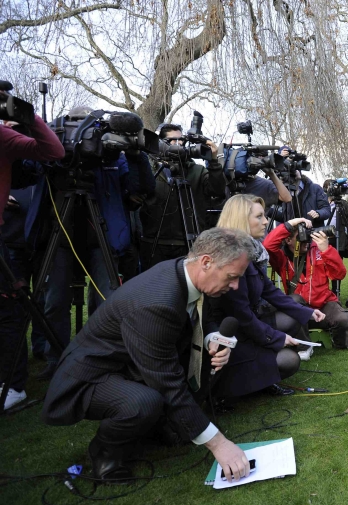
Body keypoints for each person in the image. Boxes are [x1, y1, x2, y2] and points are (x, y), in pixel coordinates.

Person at [41, 228, 255, 482]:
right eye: (232, 276)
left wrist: (211, 338)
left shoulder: (186, 271)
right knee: (144, 402)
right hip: (89, 376)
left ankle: (158, 427)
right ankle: (105, 454)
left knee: (170, 384)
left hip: (129, 364)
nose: (236, 285)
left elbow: (200, 314)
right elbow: (167, 383)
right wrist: (219, 444)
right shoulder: (157, 304)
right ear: (206, 262)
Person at [24, 106, 156, 381]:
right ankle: (56, 359)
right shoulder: (55, 150)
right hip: (59, 235)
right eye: (71, 128)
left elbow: (138, 189)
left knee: (106, 299)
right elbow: (28, 170)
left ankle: (99, 357)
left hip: (102, 238)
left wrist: (133, 155)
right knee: (54, 301)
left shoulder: (111, 155)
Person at [211, 195, 326, 396]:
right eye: (259, 216)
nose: (266, 221)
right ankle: (236, 387)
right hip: (233, 338)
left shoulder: (251, 250)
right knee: (289, 360)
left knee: (290, 328)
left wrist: (307, 313)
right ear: (241, 219)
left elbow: (269, 290)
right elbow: (242, 316)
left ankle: (261, 375)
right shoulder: (231, 258)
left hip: (249, 327)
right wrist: (277, 338)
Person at [0, 113, 64, 410]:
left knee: (17, 306)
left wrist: (27, 122)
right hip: (10, 237)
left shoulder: (9, 139)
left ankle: (16, 379)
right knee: (11, 311)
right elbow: (51, 151)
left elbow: (50, 156)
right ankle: (12, 383)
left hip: (29, 238)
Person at [263, 217, 348, 355]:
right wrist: (291, 224)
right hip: (300, 309)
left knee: (343, 319)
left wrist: (327, 250)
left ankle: (342, 342)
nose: (306, 240)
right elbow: (268, 244)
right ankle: (304, 347)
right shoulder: (281, 257)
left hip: (323, 305)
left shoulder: (318, 249)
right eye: (301, 236)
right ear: (288, 240)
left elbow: (339, 274)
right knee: (294, 300)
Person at [138, 123, 228, 270]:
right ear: (160, 143)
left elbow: (218, 191)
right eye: (173, 140)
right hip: (155, 243)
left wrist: (213, 161)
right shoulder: (151, 170)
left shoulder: (197, 171)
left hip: (189, 244)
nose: (179, 144)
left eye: (182, 140)